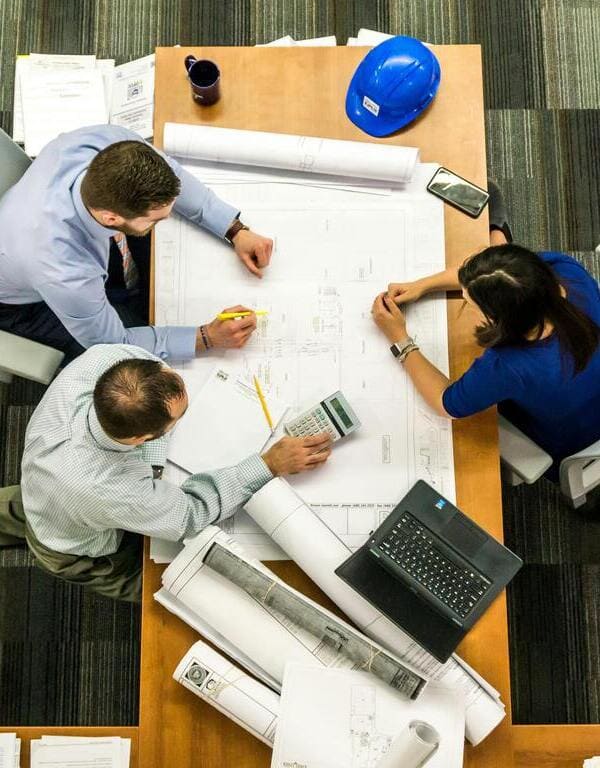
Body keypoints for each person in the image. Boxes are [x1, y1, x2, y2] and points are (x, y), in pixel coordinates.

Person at [0, 344, 332, 603]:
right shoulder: (108, 488)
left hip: (38, 484)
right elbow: (190, 514)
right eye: (180, 418)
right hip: (72, 547)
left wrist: (155, 464)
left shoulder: (103, 360)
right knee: (174, 587)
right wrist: (268, 464)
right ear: (140, 439)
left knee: (24, 509)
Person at [371, 192, 600, 483]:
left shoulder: (509, 366)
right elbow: (494, 276)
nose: (465, 303)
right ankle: (497, 232)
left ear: (498, 320)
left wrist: (400, 339)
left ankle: (497, 230)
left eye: (470, 303)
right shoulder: (565, 273)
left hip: (565, 437)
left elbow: (446, 403)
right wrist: (422, 286)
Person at [0, 125, 274, 363]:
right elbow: (112, 344)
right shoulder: (65, 274)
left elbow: (173, 173)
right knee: (133, 354)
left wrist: (234, 229)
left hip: (28, 231)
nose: (165, 220)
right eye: (155, 219)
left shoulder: (108, 143)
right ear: (111, 217)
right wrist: (206, 337)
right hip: (22, 304)